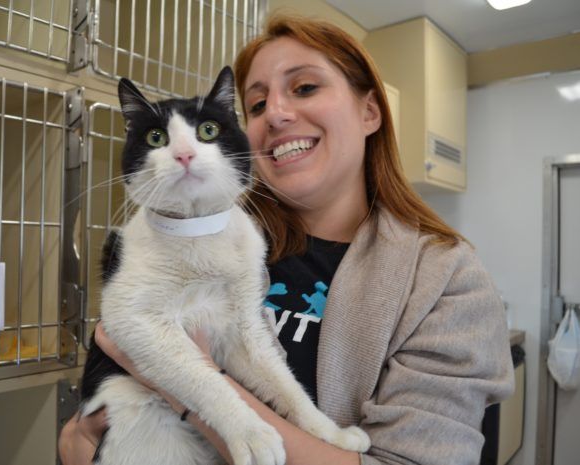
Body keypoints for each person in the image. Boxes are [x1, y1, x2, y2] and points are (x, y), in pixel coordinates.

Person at [59, 14, 514, 465]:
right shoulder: (214, 230)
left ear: (369, 111)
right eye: (256, 105)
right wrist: (75, 444)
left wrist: (190, 396)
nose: (275, 114)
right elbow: (101, 402)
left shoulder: (446, 278)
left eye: (305, 88)